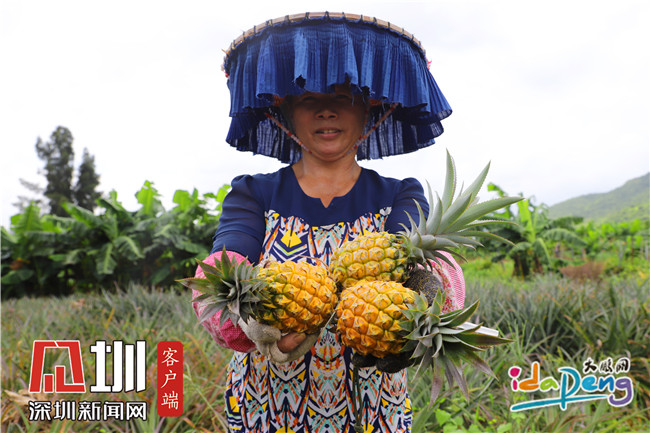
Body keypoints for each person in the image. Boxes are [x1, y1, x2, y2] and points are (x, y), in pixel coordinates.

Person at [192, 12, 465, 433]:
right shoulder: (253, 193)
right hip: (264, 408)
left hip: (373, 409)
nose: (325, 110)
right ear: (283, 111)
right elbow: (223, 263)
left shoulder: (400, 194)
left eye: (343, 95)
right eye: (306, 98)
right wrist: (244, 321)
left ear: (371, 108)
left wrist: (428, 291)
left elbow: (424, 261)